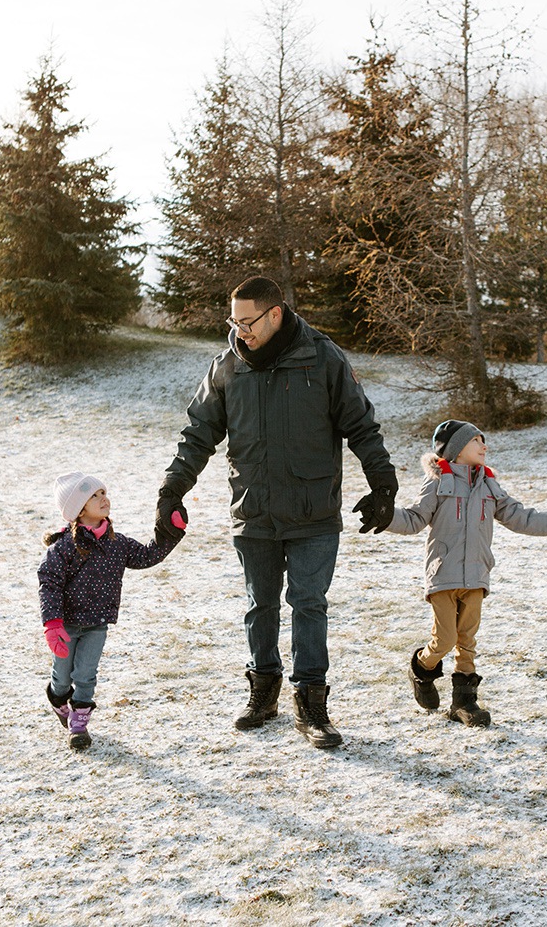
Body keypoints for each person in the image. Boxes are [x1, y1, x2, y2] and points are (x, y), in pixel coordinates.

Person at [155, 276, 396, 750]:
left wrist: (383, 485)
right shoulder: (227, 368)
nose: (240, 330)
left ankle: (311, 703)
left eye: (248, 321)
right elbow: (198, 436)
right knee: (258, 605)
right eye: (234, 321)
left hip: (313, 513)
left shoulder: (322, 358)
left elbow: (361, 426)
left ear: (276, 314)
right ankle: (262, 692)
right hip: (255, 510)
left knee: (309, 605)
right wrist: (171, 491)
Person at [381, 420, 547, 727]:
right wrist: (385, 516)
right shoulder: (439, 482)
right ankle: (421, 667)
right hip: (443, 575)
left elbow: (521, 517)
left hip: (477, 575)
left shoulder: (489, 485)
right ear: (457, 449)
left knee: (467, 640)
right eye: (477, 441)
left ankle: (464, 702)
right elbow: (414, 519)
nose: (484, 446)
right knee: (445, 639)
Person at [40, 472, 185, 750]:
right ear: (79, 509)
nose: (103, 498)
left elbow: (147, 555)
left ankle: (79, 726)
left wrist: (171, 531)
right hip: (67, 624)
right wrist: (53, 623)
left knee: (85, 674)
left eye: (103, 492)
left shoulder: (116, 543)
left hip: (97, 623)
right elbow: (49, 583)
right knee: (62, 676)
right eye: (94, 496)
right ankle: (58, 699)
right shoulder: (65, 547)